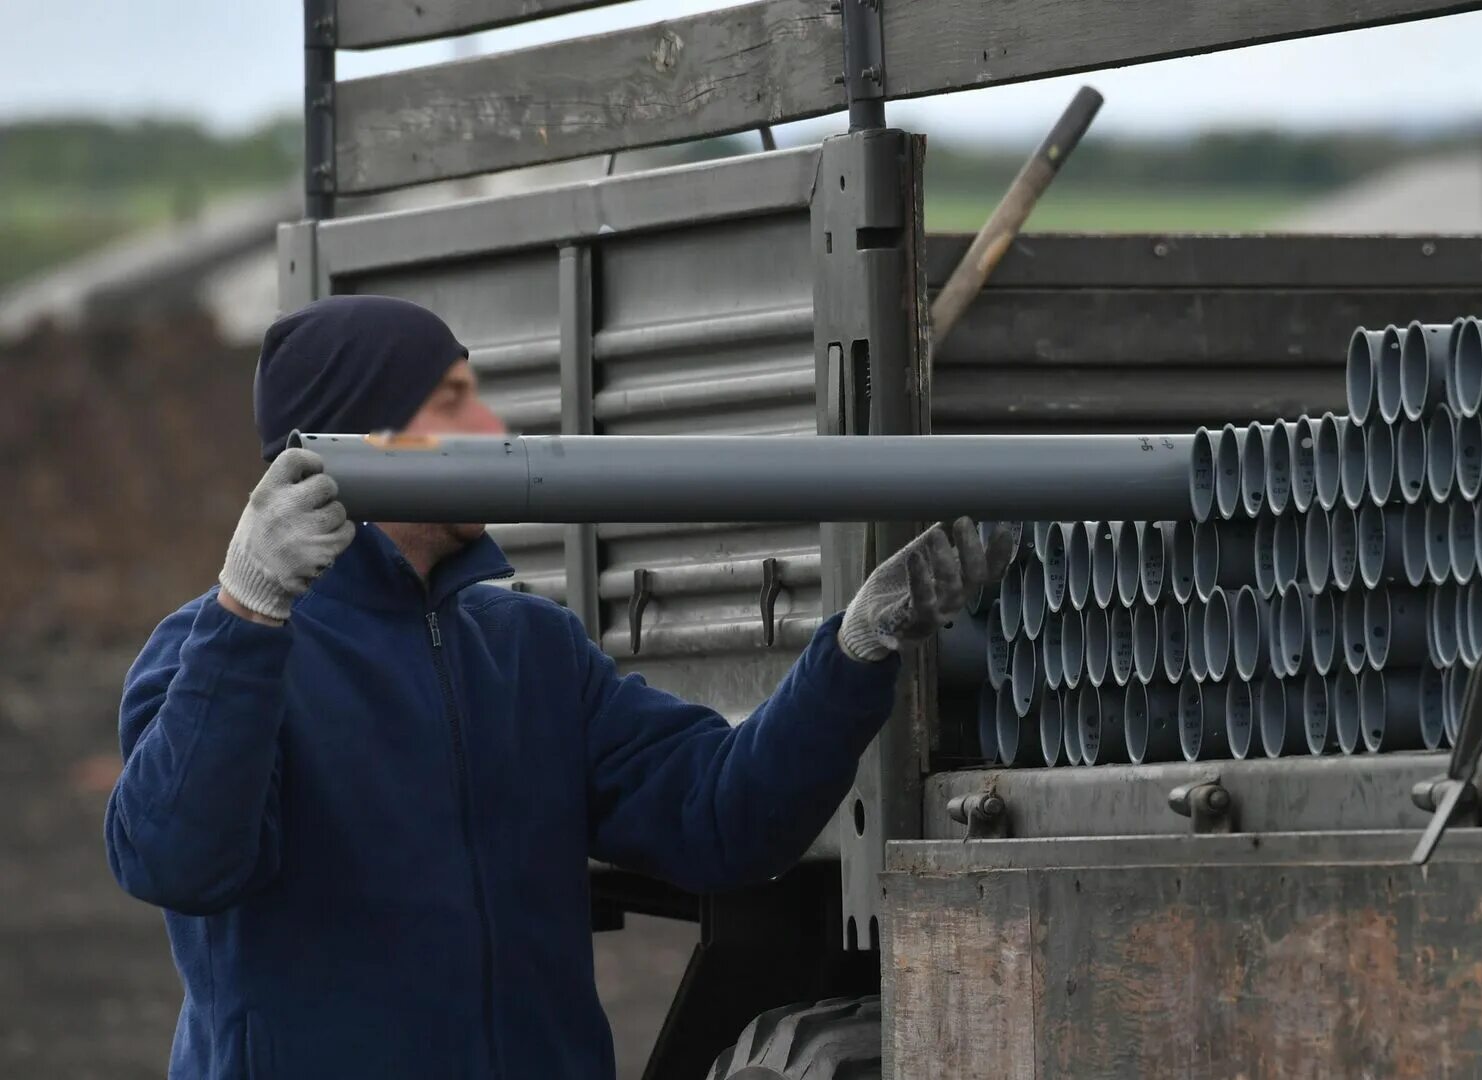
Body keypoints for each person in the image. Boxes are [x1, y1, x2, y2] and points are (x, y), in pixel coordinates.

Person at [106, 295, 1011, 1079]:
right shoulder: (212, 650)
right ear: (359, 442)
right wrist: (246, 615)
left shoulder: (530, 650)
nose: (495, 433)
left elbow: (724, 820)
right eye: (454, 403)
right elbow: (177, 860)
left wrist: (856, 647)